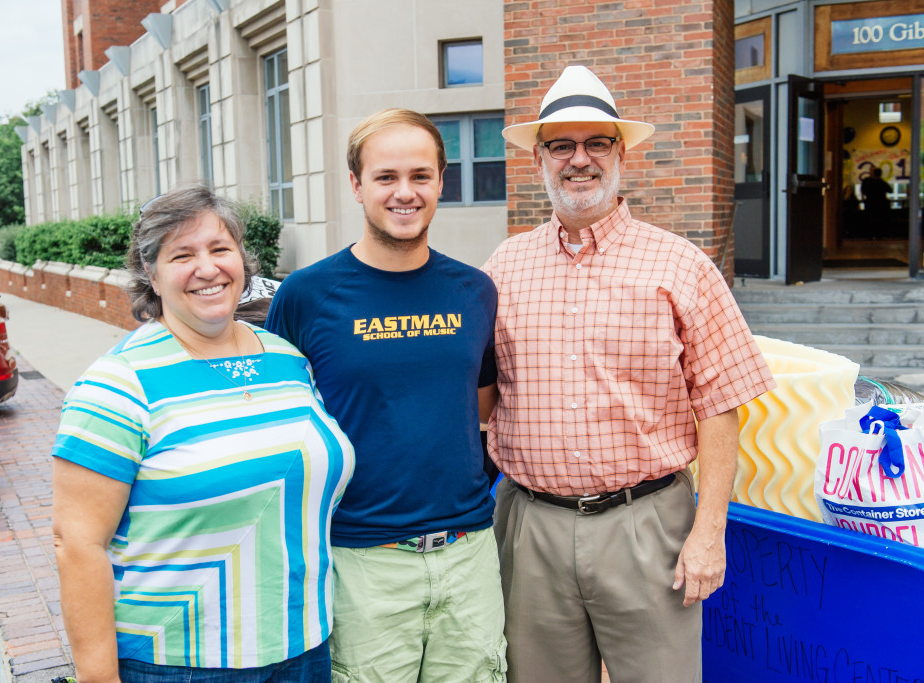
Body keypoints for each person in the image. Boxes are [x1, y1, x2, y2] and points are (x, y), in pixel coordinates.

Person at [483, 65, 776, 682]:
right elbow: (484, 396)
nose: (579, 160)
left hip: (649, 527)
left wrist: (709, 533)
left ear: (623, 156)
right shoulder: (503, 268)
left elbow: (722, 407)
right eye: (561, 144)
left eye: (597, 143)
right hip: (530, 526)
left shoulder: (681, 266)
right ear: (538, 160)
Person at [52, 184, 355, 683]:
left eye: (220, 249)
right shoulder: (118, 383)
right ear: (151, 272)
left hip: (303, 646)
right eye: (182, 254)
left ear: (242, 259)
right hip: (178, 661)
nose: (207, 268)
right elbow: (77, 543)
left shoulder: (287, 359)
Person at [265, 108, 506, 682]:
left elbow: (480, 406)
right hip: (360, 562)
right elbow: (274, 422)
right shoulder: (306, 296)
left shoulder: (475, 291)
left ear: (441, 182)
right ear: (356, 185)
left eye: (421, 176)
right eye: (386, 177)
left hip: (468, 554)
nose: (405, 192)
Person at [860, 166, 893, 239]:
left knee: (871, 219)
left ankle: (871, 235)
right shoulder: (882, 182)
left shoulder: (868, 182)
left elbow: (863, 191)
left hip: (870, 203)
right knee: (880, 220)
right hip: (881, 203)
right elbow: (890, 190)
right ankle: (879, 235)